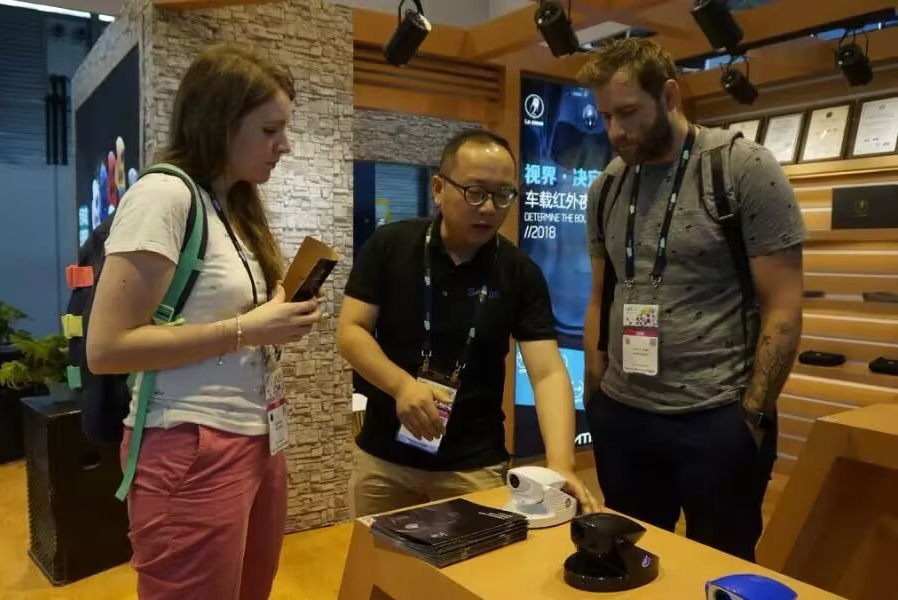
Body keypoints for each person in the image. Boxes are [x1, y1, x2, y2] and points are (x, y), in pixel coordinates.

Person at [86, 45, 321, 599]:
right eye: (270, 130)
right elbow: (106, 348)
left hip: (258, 438)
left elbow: (228, 316)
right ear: (221, 123)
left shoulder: (231, 205)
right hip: (190, 444)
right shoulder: (163, 196)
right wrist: (247, 330)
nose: (284, 145)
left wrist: (276, 317)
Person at [578, 38, 805, 561]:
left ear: (669, 95)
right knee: (630, 564)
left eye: (628, 113)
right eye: (606, 117)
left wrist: (752, 416)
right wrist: (597, 399)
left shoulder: (741, 168)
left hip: (716, 418)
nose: (615, 132)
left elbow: (783, 305)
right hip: (624, 417)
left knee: (718, 567)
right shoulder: (607, 187)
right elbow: (600, 296)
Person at [337, 129, 598, 518]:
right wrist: (402, 386)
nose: (489, 208)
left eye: (503, 194)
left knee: (477, 559)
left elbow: (546, 373)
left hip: (473, 466)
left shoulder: (519, 272)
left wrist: (561, 463)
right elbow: (351, 331)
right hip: (383, 461)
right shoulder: (390, 246)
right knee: (377, 557)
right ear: (438, 189)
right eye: (475, 192)